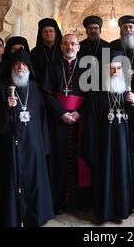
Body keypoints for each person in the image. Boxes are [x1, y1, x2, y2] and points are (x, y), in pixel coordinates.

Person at [0, 48, 54, 227]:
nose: (20, 68)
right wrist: (4, 107)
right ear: (11, 67)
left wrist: (44, 145)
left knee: (35, 182)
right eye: (17, 64)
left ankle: (36, 215)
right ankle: (15, 217)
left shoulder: (35, 88)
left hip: (34, 144)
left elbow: (42, 118)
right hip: (10, 145)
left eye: (24, 64)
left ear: (29, 67)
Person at [82, 51, 134, 224]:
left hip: (124, 142)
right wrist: (94, 147)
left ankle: (121, 210)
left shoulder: (127, 90)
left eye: (118, 68)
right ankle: (105, 212)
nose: (115, 72)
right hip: (104, 144)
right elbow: (91, 122)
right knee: (105, 176)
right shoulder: (96, 92)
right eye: (111, 69)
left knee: (123, 174)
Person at [43, 33, 90, 215]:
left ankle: (80, 200)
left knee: (81, 158)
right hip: (58, 122)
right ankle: (60, 201)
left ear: (78, 47)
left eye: (73, 44)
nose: (69, 47)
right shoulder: (52, 67)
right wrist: (62, 113)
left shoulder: (87, 68)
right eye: (66, 44)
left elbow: (92, 95)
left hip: (81, 122)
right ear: (61, 46)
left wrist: (79, 113)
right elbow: (47, 93)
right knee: (59, 161)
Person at [31, 18, 63, 87]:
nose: (48, 34)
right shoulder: (35, 52)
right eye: (45, 32)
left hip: (61, 84)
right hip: (41, 85)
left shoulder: (63, 49)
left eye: (51, 31)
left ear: (55, 33)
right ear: (41, 34)